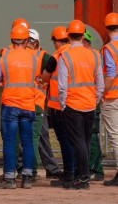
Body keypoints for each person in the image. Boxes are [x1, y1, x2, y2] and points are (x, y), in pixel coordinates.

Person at [56, 19, 104, 190]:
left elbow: (62, 86)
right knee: (84, 140)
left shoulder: (65, 56)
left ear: (68, 36)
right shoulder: (94, 55)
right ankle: (82, 175)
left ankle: (83, 177)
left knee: (78, 142)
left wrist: (63, 105)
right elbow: (100, 84)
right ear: (84, 36)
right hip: (90, 105)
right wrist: (95, 100)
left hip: (72, 105)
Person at [0, 24, 40, 189]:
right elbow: (36, 77)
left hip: (10, 104)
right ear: (27, 40)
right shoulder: (34, 58)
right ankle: (27, 178)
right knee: (27, 142)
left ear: (11, 39)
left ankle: (9, 179)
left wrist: (3, 82)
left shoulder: (5, 57)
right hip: (28, 103)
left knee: (9, 142)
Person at [41, 26, 77, 186]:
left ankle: (69, 173)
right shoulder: (77, 54)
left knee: (65, 141)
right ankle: (76, 172)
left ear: (56, 42)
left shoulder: (56, 57)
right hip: (77, 104)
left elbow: (45, 78)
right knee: (76, 140)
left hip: (59, 106)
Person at [26, 29, 62, 180]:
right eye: (25, 41)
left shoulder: (44, 57)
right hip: (29, 102)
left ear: (37, 43)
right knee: (36, 137)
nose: (28, 44)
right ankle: (44, 168)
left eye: (31, 41)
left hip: (36, 103)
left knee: (39, 136)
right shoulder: (24, 56)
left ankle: (45, 168)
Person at [83, 30, 105, 181]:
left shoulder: (93, 57)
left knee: (91, 136)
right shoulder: (95, 56)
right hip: (88, 102)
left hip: (90, 102)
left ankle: (95, 170)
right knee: (89, 137)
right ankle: (93, 169)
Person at [101, 12, 118, 186]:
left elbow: (111, 75)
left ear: (106, 28)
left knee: (115, 136)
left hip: (113, 97)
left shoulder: (109, 49)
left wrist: (102, 94)